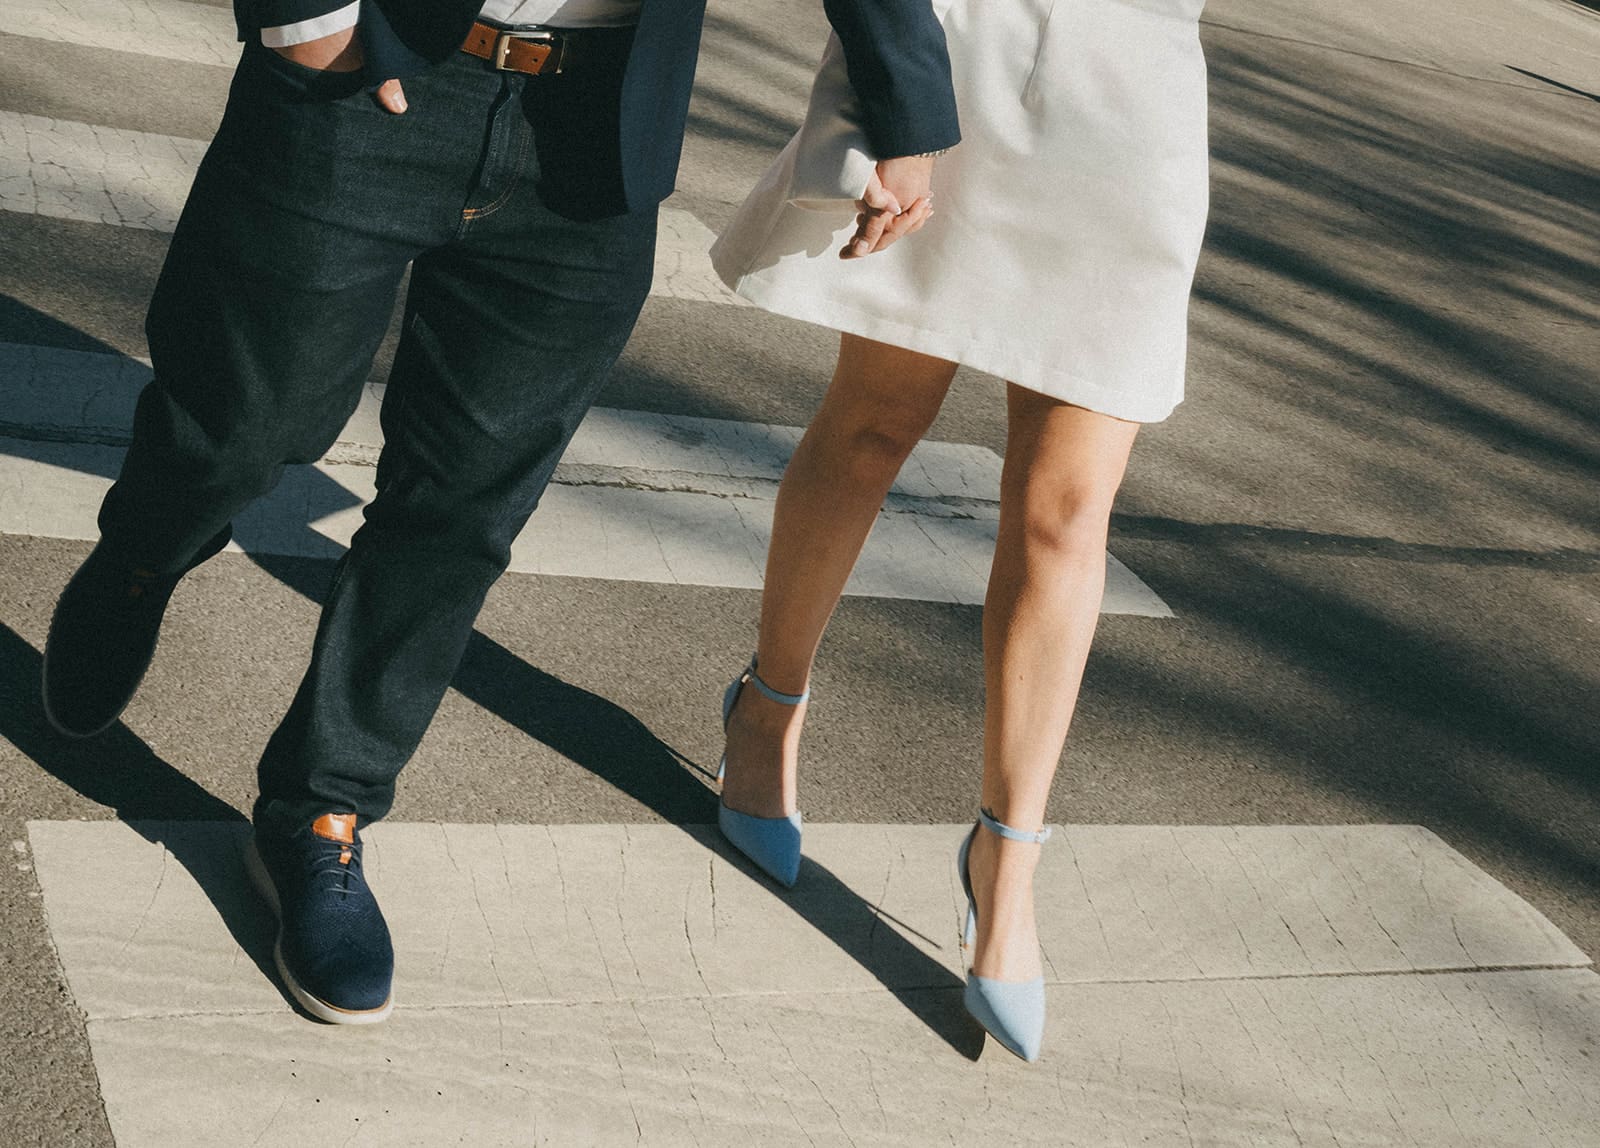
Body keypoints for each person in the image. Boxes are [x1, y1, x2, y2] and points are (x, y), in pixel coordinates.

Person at [40, 0, 960, 1025]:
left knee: (465, 503)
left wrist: (906, 104)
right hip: (373, 56)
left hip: (598, 126)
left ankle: (324, 809)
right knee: (244, 425)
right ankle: (144, 549)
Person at [709, 0, 1210, 1061]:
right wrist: (900, 107)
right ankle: (767, 708)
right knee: (873, 427)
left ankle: (1008, 861)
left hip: (1134, 108)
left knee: (1067, 509)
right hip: (961, 72)